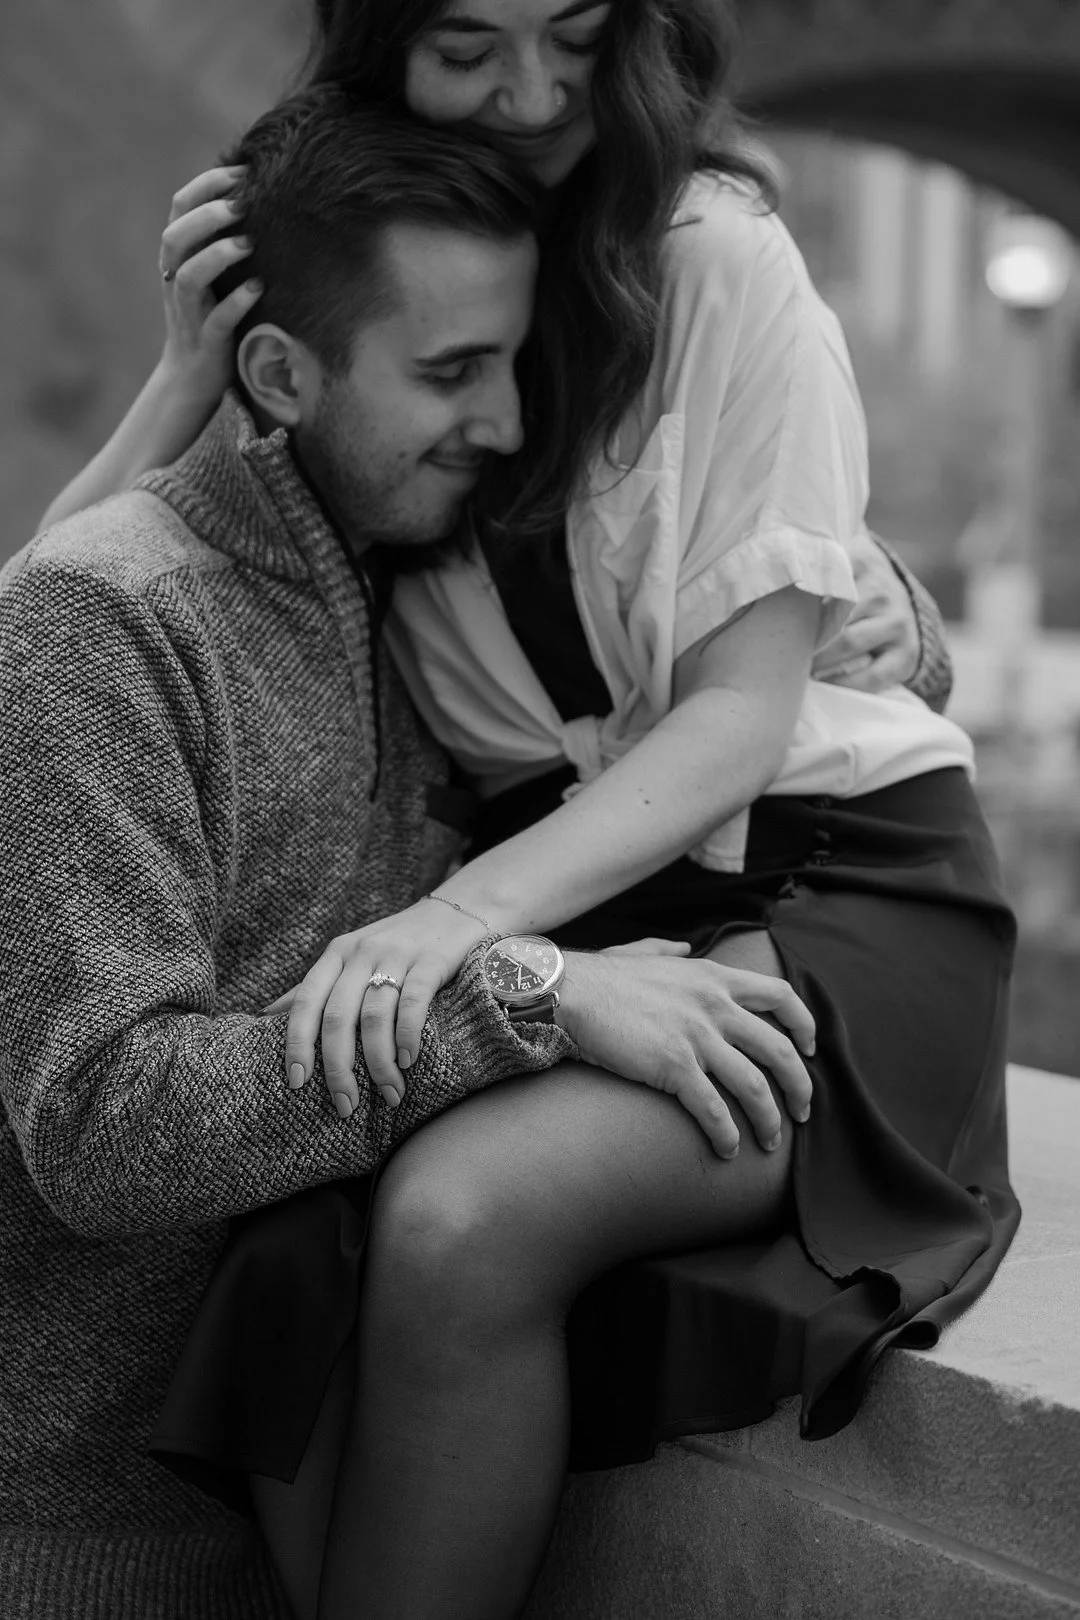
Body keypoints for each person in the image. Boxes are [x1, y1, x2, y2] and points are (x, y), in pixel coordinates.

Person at [33, 9, 1016, 1620]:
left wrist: (454, 933)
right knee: (290, 1245)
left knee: (463, 1216)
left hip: (818, 881)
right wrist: (181, 383)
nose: (536, 94)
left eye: (572, 34)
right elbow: (55, 650)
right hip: (571, 912)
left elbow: (744, 707)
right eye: (469, 46)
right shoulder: (381, 284)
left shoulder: (711, 258)